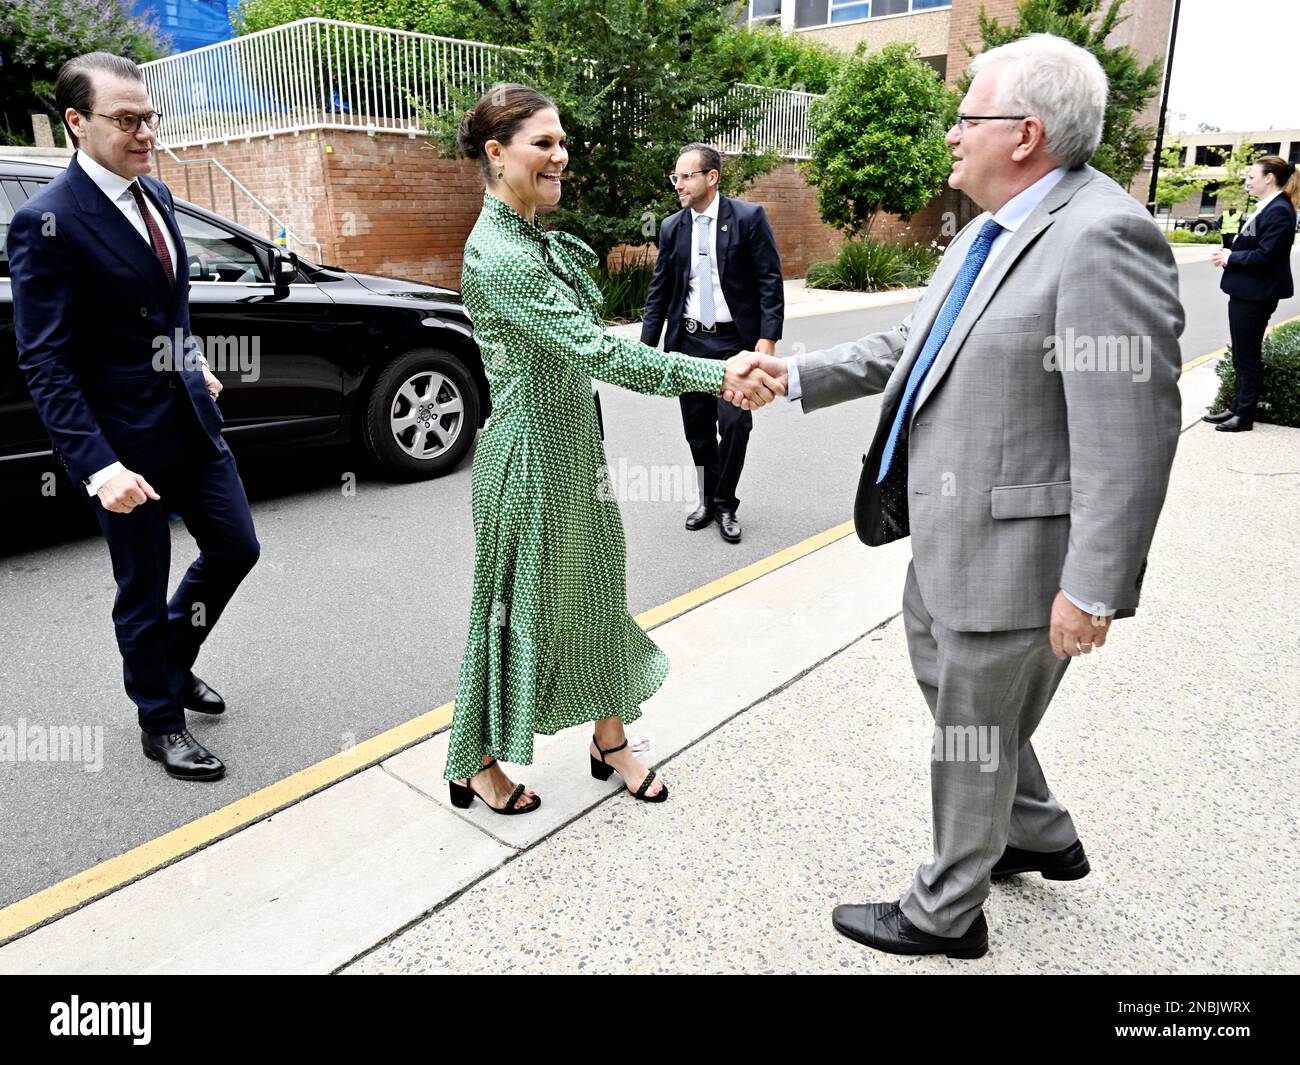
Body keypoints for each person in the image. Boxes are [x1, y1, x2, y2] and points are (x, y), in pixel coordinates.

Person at [731, 34, 1183, 957]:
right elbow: (911, 344)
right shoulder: (988, 228)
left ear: (1023, 134)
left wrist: (1092, 585)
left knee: (970, 737)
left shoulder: (1103, 236)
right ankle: (1039, 831)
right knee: (970, 713)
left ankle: (946, 910)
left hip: (1019, 563)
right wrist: (793, 377)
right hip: (943, 538)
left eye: (965, 117)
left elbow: (1130, 433)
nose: (950, 134)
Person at [441, 84, 783, 813]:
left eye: (562, 140)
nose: (561, 154)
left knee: (598, 597)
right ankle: (472, 759)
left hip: (574, 452)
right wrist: (718, 373)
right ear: (496, 155)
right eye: (543, 142)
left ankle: (609, 737)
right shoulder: (500, 254)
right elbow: (601, 352)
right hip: (529, 462)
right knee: (513, 612)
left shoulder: (529, 235)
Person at [8, 53, 260, 782]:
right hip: (123, 446)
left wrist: (191, 360)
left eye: (149, 117)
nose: (146, 132)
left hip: (189, 417)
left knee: (236, 546)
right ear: (76, 123)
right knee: (142, 586)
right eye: (127, 120)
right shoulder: (46, 222)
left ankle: (171, 661)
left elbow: (166, 306)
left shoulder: (156, 195)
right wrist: (98, 467)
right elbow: (46, 363)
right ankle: (160, 719)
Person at [640, 144, 785, 544]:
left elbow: (769, 280)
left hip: (734, 343)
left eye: (686, 176)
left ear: (712, 177)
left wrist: (767, 338)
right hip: (688, 341)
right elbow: (661, 289)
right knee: (698, 430)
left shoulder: (747, 218)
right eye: (676, 177)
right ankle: (708, 499)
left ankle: (725, 502)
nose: (678, 185)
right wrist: (647, 346)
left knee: (736, 423)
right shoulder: (672, 227)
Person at [1204, 156, 1299, 432]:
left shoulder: (1279, 210)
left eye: (1251, 176)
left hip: (1257, 293)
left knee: (1247, 356)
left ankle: (1243, 416)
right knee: (1241, 355)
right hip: (1247, 290)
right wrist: (1228, 253)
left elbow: (1266, 255)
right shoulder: (1267, 208)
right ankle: (1236, 408)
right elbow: (1252, 243)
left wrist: (1231, 257)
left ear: (1269, 178)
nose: (1247, 181)